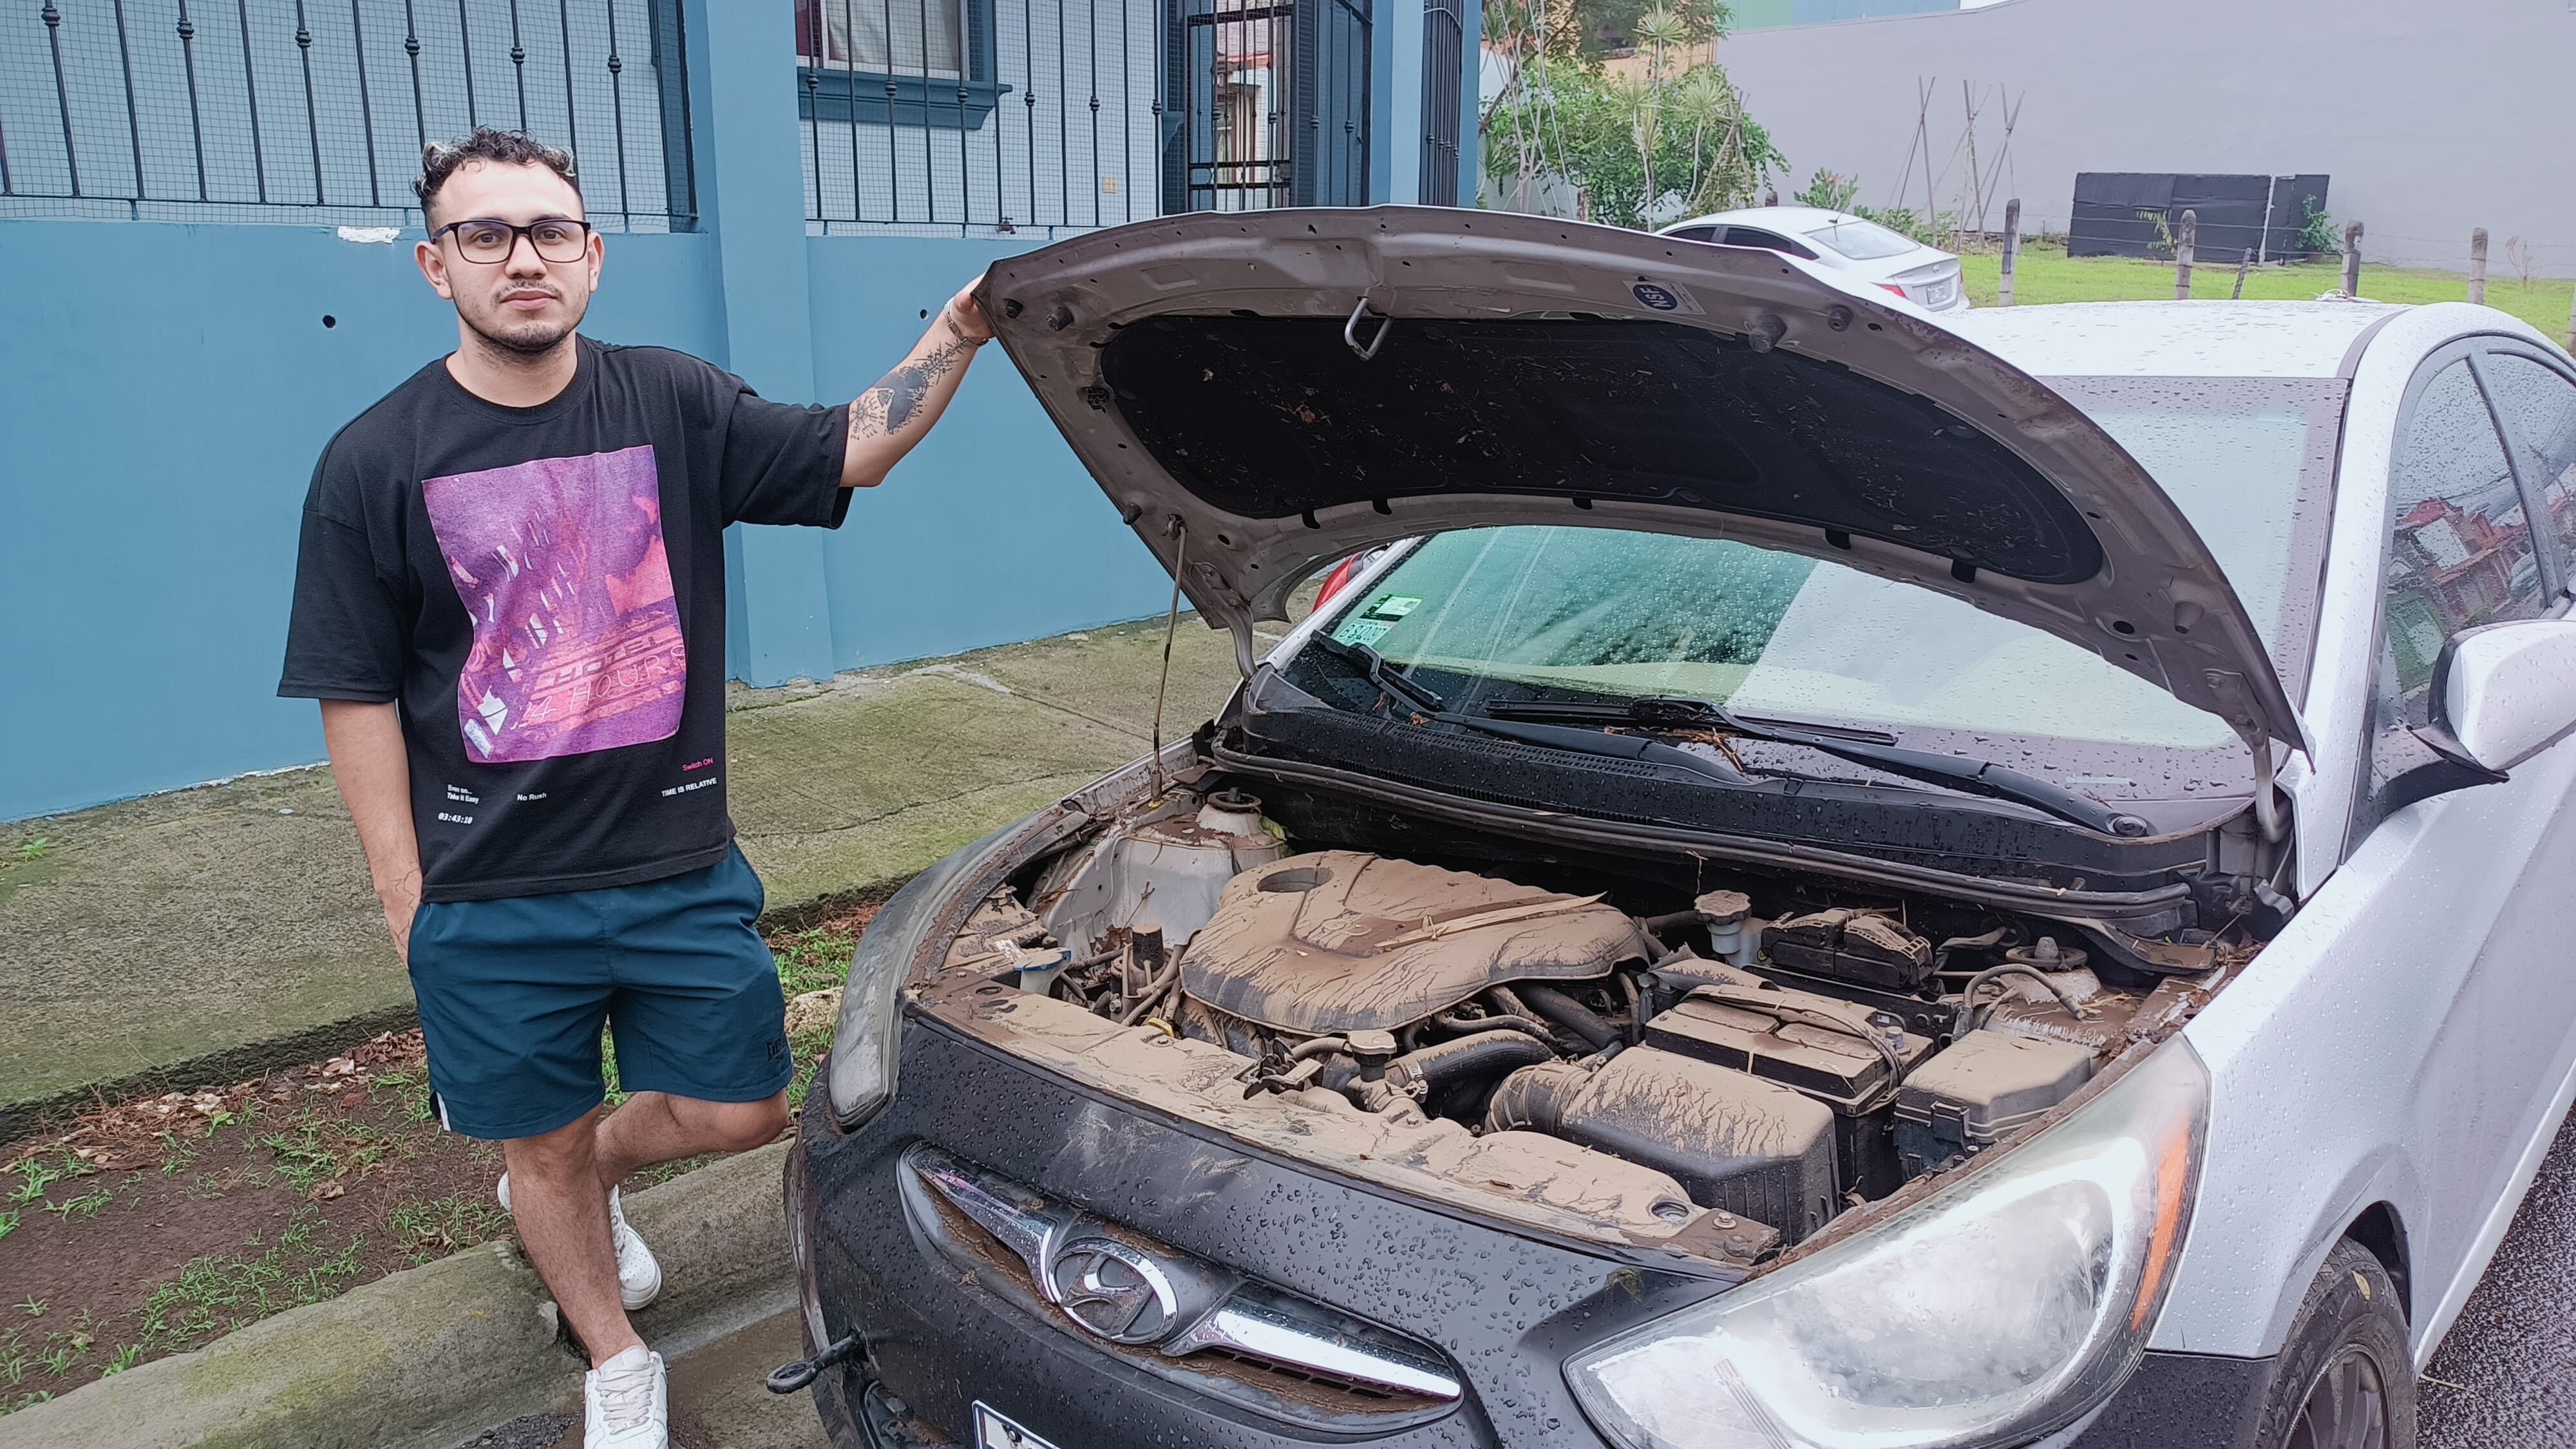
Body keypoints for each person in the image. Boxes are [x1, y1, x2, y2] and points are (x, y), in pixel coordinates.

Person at [276, 127, 990, 1448]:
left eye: (550, 230)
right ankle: (614, 1355)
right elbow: (354, 686)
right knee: (533, 1147)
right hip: (490, 890)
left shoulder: (672, 401)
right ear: (437, 267)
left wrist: (962, 332)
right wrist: (400, 887)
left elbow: (853, 450)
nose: (522, 257)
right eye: (485, 235)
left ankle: (569, 1181)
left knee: (745, 1109)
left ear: (592, 255)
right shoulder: (372, 461)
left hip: (675, 869)